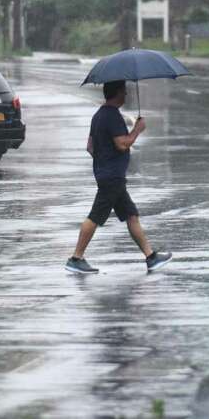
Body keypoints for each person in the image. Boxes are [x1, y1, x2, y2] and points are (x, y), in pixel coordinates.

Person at [66, 80, 173, 274]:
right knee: (96, 216)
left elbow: (90, 147)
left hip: (107, 174)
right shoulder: (112, 116)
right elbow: (122, 144)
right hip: (112, 177)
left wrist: (103, 161)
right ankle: (76, 258)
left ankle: (150, 257)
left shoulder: (98, 115)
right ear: (116, 93)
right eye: (124, 92)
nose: (126, 95)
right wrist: (137, 130)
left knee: (131, 215)